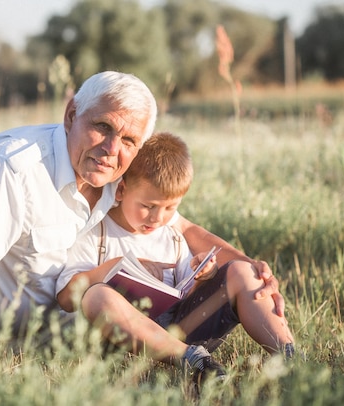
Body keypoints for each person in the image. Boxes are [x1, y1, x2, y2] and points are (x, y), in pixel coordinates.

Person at [0, 70, 284, 351]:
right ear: (71, 114)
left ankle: (285, 357)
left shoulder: (117, 175)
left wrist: (253, 268)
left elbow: (183, 226)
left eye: (128, 140)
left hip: (65, 344)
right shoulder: (15, 168)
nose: (111, 147)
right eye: (102, 126)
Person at [56, 132, 295, 382]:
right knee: (96, 296)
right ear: (121, 190)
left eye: (170, 208)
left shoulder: (172, 237)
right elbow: (65, 299)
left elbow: (187, 295)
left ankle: (290, 356)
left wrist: (205, 276)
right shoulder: (97, 233)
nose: (158, 218)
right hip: (120, 341)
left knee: (244, 270)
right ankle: (195, 362)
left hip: (179, 330)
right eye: (148, 206)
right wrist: (110, 270)